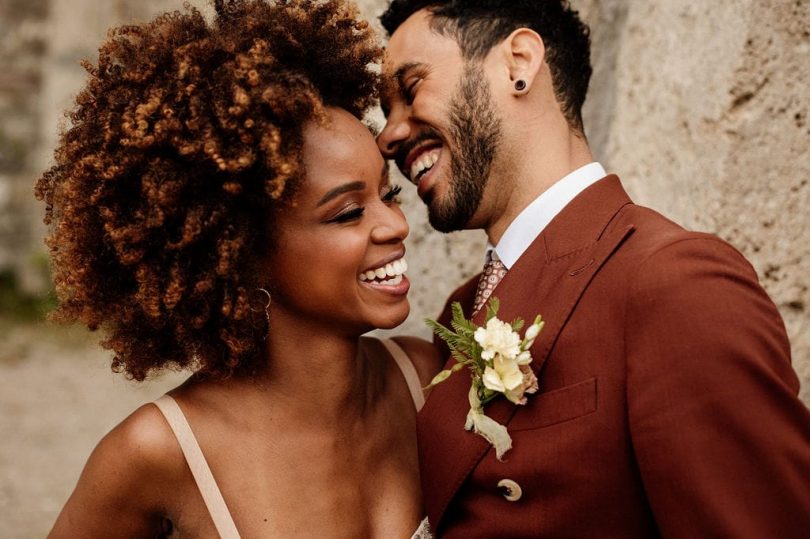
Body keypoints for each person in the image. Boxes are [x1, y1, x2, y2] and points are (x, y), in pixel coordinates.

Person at [376, 1, 810, 537]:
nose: (388, 135)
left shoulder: (675, 283)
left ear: (519, 63)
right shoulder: (462, 311)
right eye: (384, 110)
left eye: (411, 88)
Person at [37, 0, 441, 536]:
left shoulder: (429, 380)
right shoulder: (158, 452)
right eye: (348, 213)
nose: (395, 226)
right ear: (244, 251)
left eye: (387, 195)